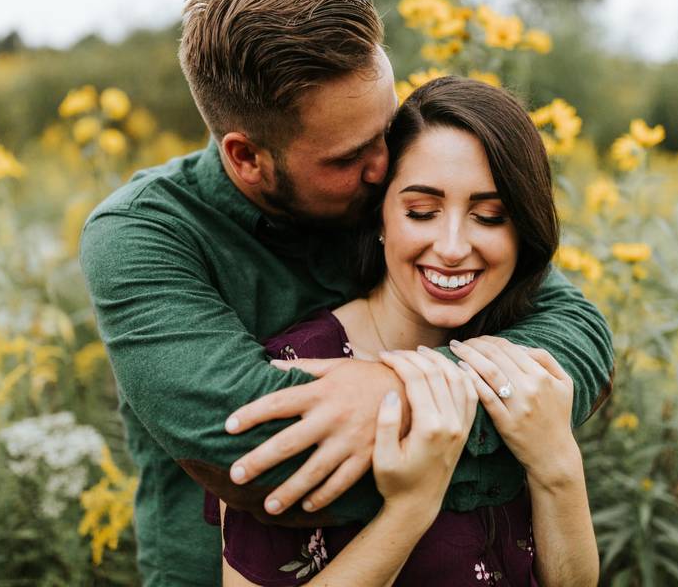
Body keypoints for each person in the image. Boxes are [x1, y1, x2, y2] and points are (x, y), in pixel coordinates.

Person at [79, 0, 613, 587]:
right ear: (246, 158)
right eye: (347, 158)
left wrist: (394, 388)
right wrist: (473, 437)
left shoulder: (399, 191)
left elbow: (573, 331)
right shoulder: (143, 235)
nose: (384, 166)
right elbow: (259, 455)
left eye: (385, 133)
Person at [213, 77, 599, 586]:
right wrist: (411, 506)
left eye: (490, 216)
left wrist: (558, 468)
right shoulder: (296, 372)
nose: (453, 246)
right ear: (381, 216)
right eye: (422, 212)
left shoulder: (522, 363)